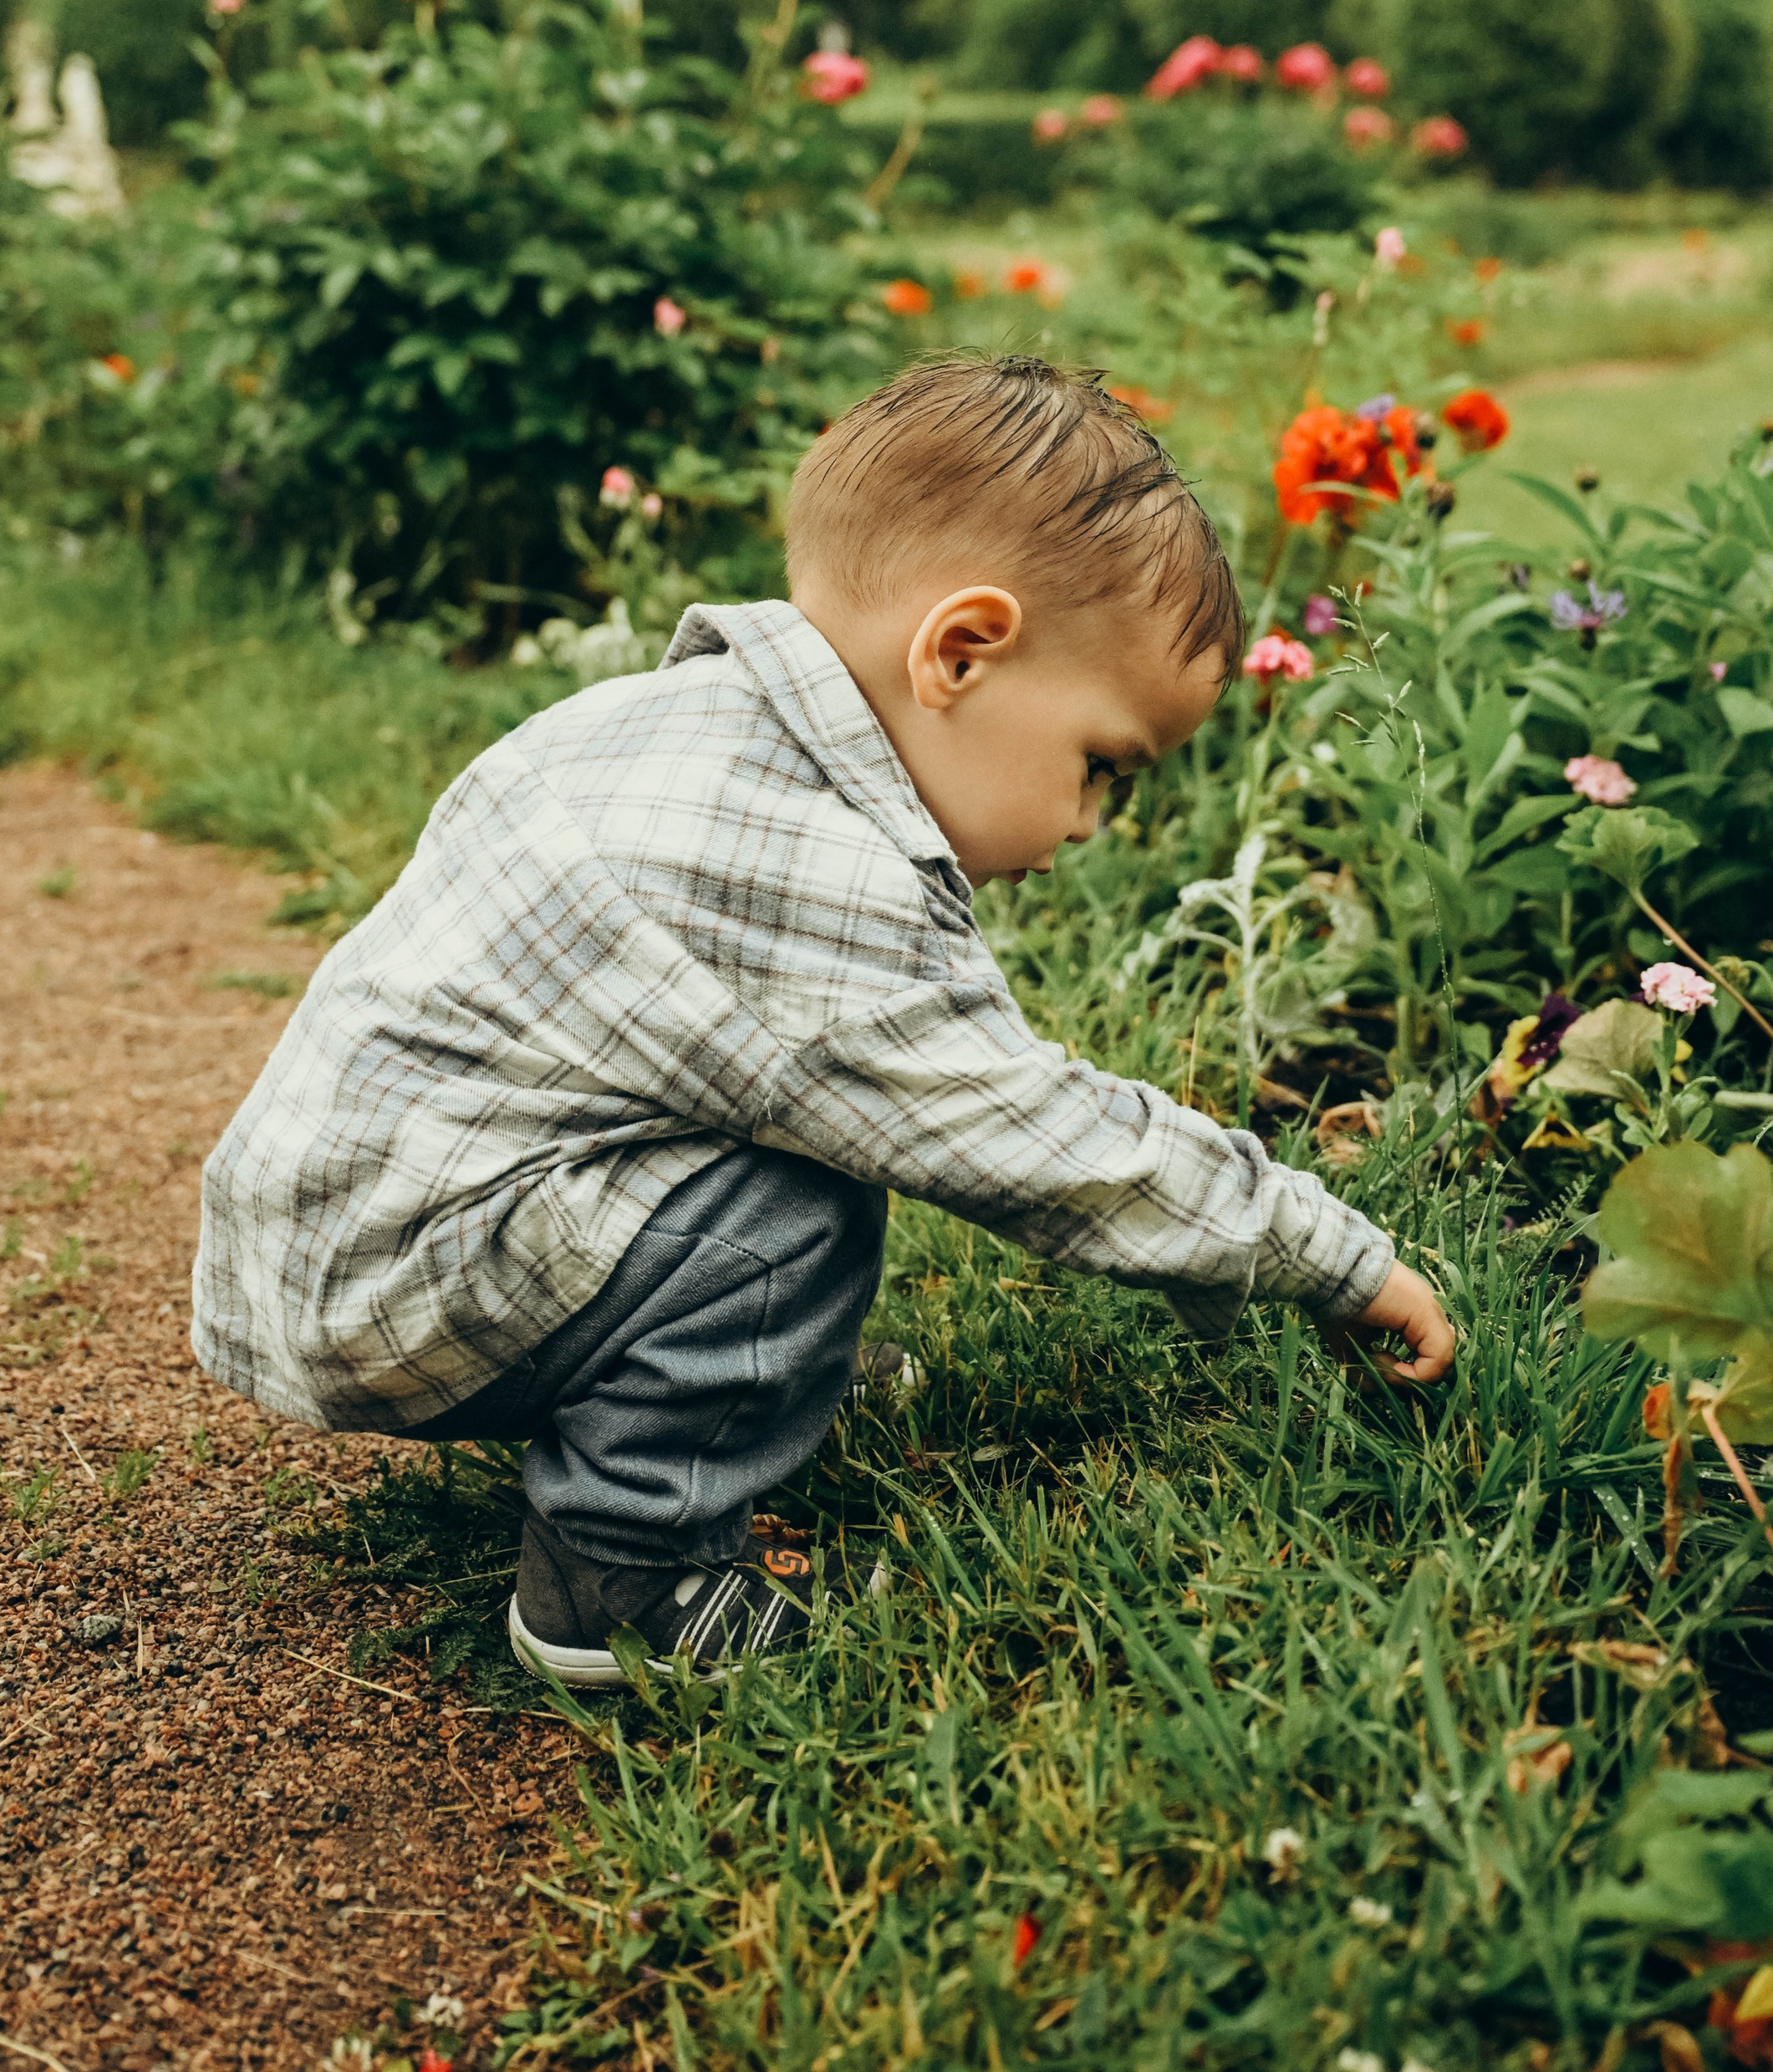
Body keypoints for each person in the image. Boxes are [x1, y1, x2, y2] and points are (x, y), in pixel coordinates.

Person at [192, 357, 1455, 1685]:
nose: (1092, 825)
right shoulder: (803, 867)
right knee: (797, 1209)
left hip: (350, 1241)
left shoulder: (671, 727)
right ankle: (619, 1578)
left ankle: (735, 1378)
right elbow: (1040, 1141)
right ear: (959, 653)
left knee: (785, 1164)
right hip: (403, 1289)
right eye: (1102, 767)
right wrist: (1324, 1253)